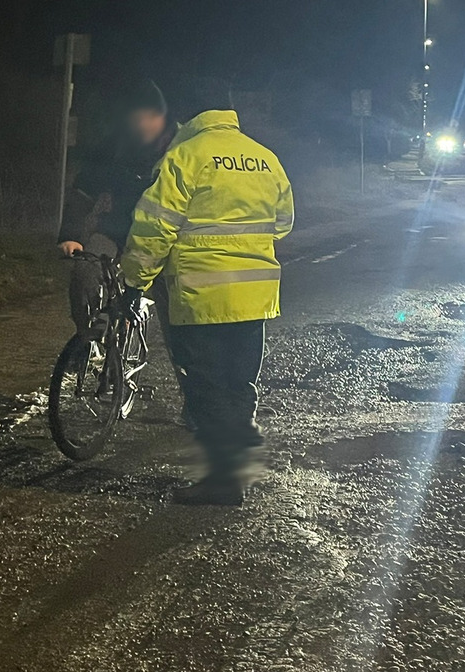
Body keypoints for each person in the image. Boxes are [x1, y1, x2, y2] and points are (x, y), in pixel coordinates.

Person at [120, 90, 294, 506]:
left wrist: (135, 281)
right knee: (239, 382)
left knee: (208, 386)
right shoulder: (263, 157)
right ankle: (236, 469)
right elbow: (283, 222)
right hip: (254, 295)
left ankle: (223, 481)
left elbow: (154, 227)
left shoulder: (185, 157)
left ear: (189, 116)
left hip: (202, 295)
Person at [57, 78, 176, 335]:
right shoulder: (114, 147)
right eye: (135, 119)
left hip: (166, 240)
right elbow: (83, 191)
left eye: (148, 117)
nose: (141, 125)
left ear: (162, 116)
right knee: (84, 273)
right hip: (118, 231)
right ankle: (90, 340)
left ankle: (177, 351)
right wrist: (71, 235)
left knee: (175, 305)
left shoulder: (181, 148)